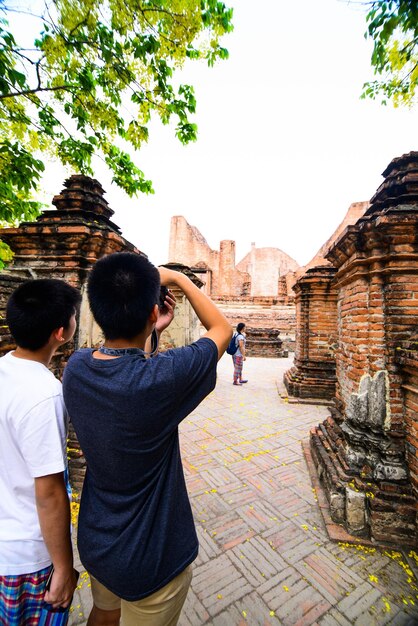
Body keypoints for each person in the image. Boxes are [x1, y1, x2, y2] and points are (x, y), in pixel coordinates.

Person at [62, 252, 232, 626]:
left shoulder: (76, 369)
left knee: (103, 614)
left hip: (98, 539)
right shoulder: (161, 379)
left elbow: (123, 366)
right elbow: (222, 329)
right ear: (153, 312)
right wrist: (179, 279)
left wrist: (152, 332)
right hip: (151, 556)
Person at [0, 279, 81, 625]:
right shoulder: (45, 394)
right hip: (24, 556)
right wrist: (63, 568)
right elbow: (49, 492)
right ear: (60, 332)